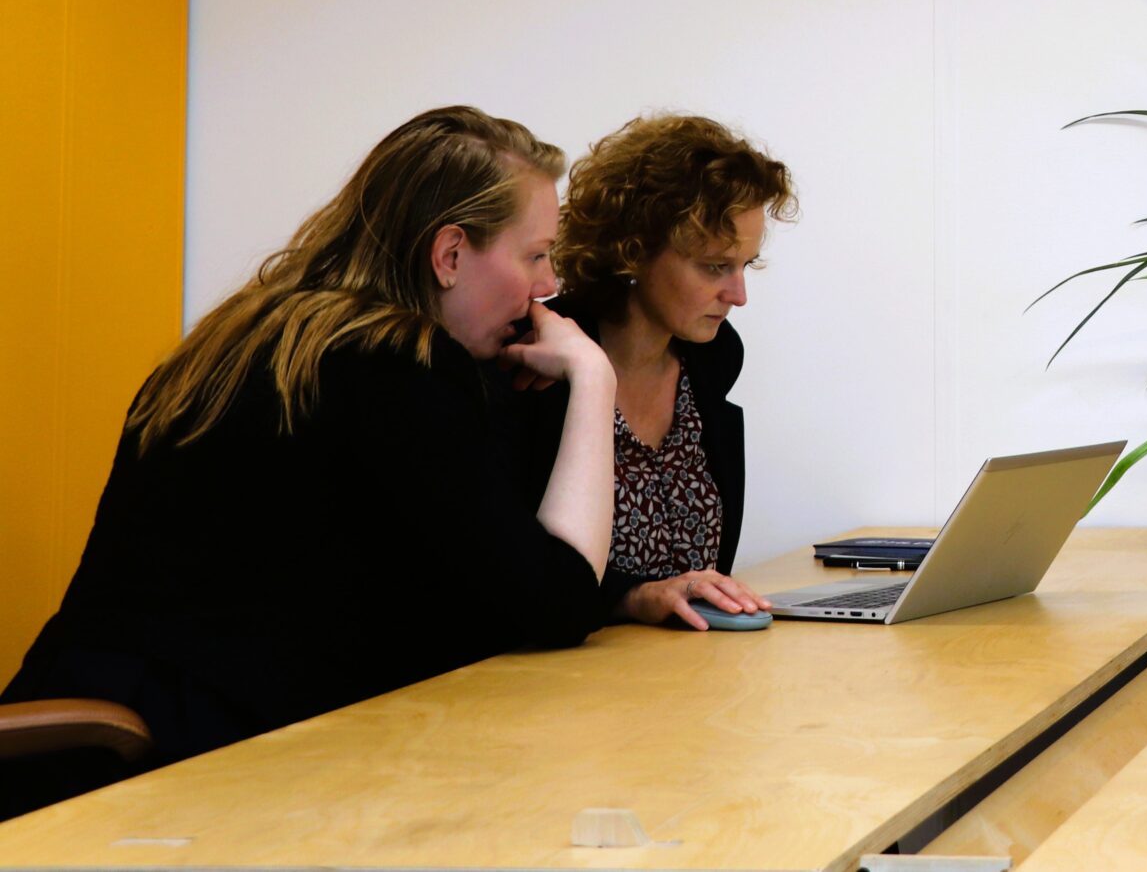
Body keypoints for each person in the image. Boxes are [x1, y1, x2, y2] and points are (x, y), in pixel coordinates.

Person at [1, 107, 614, 819]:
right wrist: (593, 379)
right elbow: (554, 602)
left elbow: (473, 572)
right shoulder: (394, 367)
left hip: (82, 755)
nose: (547, 285)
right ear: (449, 254)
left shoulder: (252, 334)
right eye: (536, 254)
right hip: (184, 780)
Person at [529, 114, 794, 631]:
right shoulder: (538, 362)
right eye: (715, 266)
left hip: (681, 682)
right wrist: (632, 597)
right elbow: (519, 573)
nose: (738, 296)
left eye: (747, 265)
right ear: (634, 249)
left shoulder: (715, 361)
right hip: (553, 687)